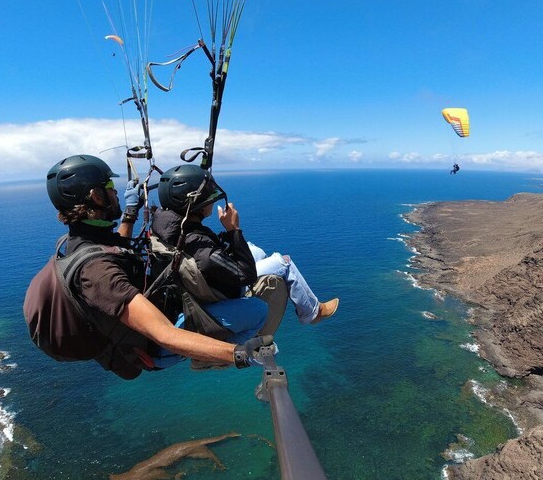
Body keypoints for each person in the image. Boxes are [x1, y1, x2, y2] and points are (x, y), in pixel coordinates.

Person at [40, 154, 271, 378]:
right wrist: (237, 354)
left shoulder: (84, 240)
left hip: (162, 312)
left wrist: (130, 215)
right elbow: (164, 334)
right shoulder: (97, 274)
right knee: (258, 310)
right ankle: (207, 361)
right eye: (109, 185)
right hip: (155, 349)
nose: (115, 192)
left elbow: (117, 249)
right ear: (96, 196)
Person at [151, 164, 339, 327]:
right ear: (193, 204)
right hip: (222, 291)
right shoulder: (199, 246)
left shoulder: (171, 226)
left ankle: (279, 281)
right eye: (207, 197)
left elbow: (204, 249)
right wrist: (234, 230)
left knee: (255, 251)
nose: (212, 200)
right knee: (284, 262)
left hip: (206, 277)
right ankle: (313, 313)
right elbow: (244, 275)